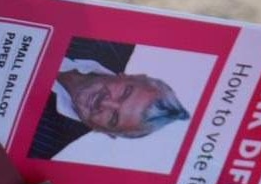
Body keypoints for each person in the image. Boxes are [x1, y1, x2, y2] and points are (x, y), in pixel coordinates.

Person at [29, 37, 190, 160]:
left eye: (113, 118)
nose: (105, 103)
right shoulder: (108, 32)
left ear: (106, 132)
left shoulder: (39, 145)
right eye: (125, 93)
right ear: (131, 77)